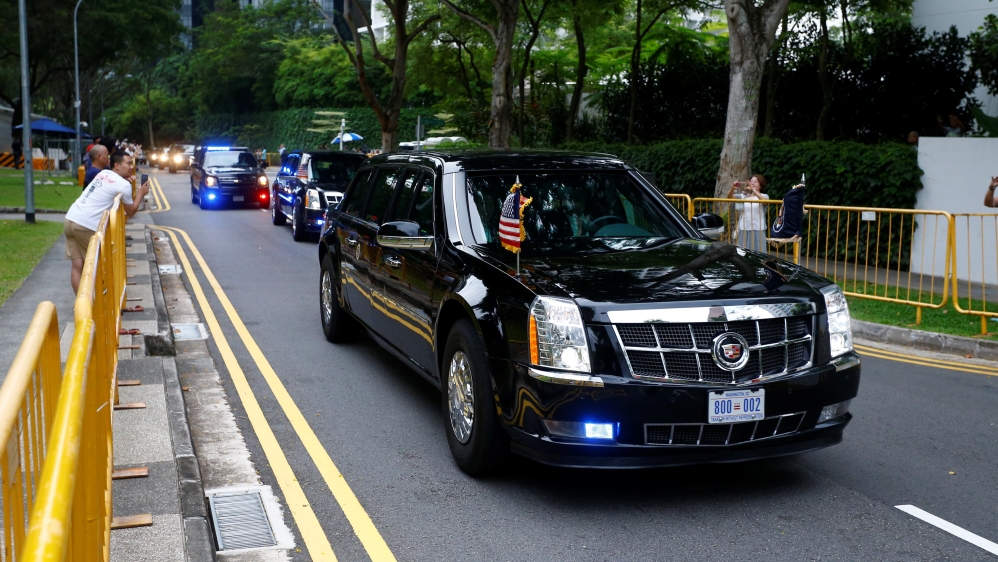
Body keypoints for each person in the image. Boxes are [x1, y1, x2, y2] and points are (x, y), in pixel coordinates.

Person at [64, 152, 149, 293]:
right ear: (116, 165)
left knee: (77, 266)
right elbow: (131, 211)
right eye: (128, 163)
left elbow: (109, 187)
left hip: (71, 218)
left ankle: (81, 309)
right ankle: (94, 308)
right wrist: (140, 193)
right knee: (99, 268)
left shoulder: (103, 173)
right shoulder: (123, 185)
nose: (131, 166)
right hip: (87, 225)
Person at [727, 174, 770, 254]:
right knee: (742, 252)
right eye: (751, 181)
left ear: (760, 185)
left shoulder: (764, 196)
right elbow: (729, 197)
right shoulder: (744, 196)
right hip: (744, 227)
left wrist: (754, 190)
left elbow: (765, 202)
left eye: (755, 182)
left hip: (757, 228)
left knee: (758, 252)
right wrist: (733, 188)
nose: (753, 183)